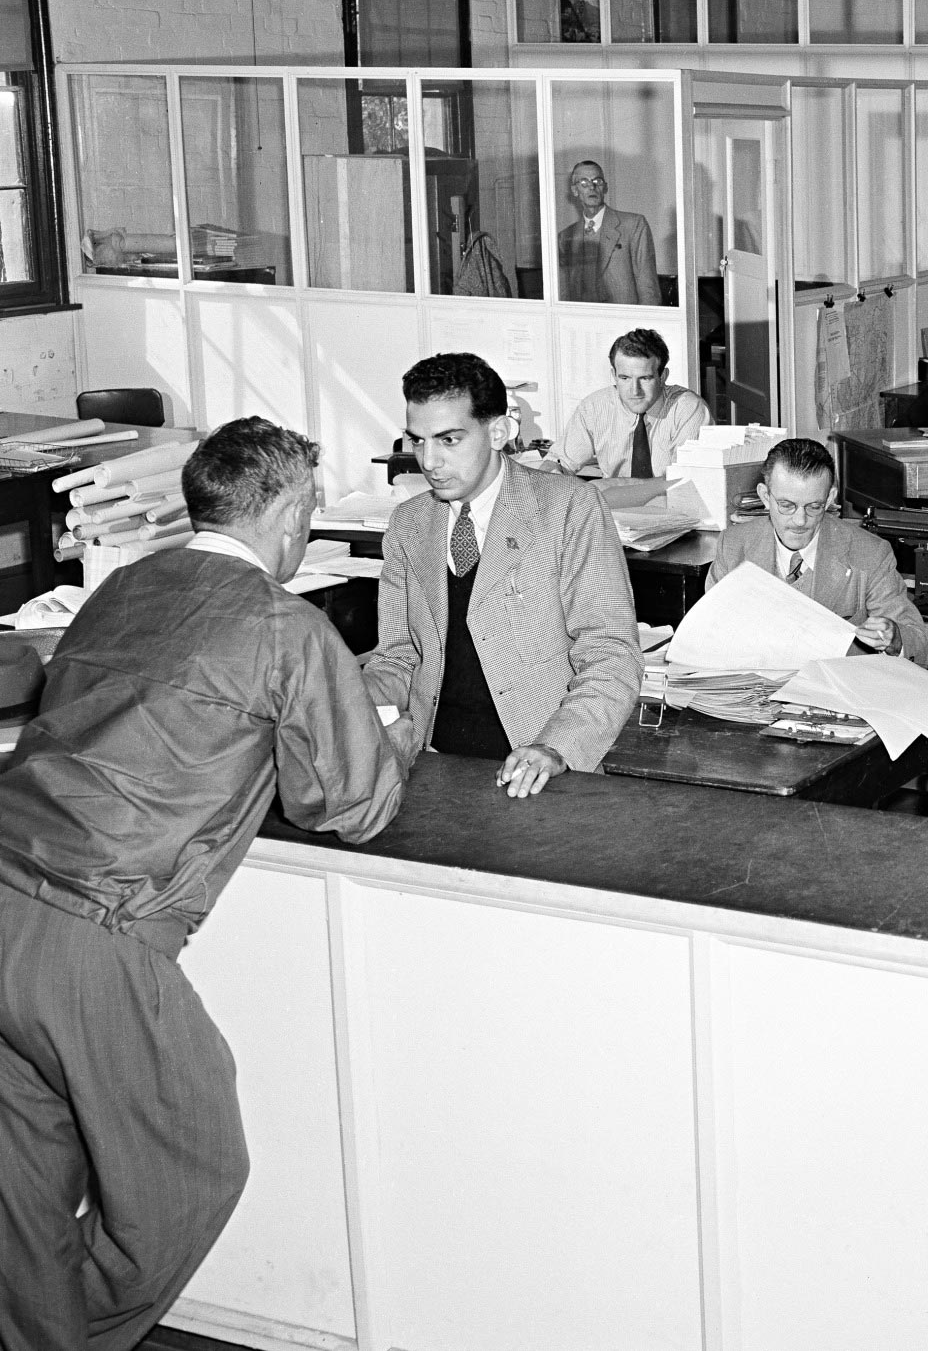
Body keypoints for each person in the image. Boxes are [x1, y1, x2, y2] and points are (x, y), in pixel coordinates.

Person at [0, 417, 415, 1350]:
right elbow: (351, 803)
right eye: (308, 509)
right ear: (286, 511)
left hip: (3, 889)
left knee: (24, 1187)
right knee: (193, 1171)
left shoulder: (122, 587)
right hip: (94, 931)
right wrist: (399, 724)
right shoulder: (286, 626)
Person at [367, 352, 643, 796]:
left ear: (497, 432)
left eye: (449, 440)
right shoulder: (408, 524)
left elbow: (611, 654)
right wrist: (351, 701)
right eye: (417, 441)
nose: (429, 460)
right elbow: (398, 656)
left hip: (541, 770)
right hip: (433, 767)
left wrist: (556, 748)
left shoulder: (568, 507)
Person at [707, 437, 928, 666]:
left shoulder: (870, 554)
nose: (800, 520)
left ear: (829, 499)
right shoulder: (734, 546)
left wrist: (895, 639)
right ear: (765, 497)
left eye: (814, 506)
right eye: (786, 505)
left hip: (837, 693)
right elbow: (707, 635)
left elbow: (922, 646)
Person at [555, 326, 710, 480]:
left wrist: (605, 488)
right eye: (625, 378)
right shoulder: (594, 407)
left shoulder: (688, 409)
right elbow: (559, 462)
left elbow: (685, 480)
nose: (635, 391)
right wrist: (554, 472)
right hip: (613, 502)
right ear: (614, 376)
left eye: (645, 378)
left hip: (670, 502)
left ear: (663, 377)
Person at [558, 159, 661, 305]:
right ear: (574, 190)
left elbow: (648, 286)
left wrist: (646, 324)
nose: (592, 187)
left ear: (605, 187)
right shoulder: (565, 237)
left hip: (624, 321)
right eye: (584, 183)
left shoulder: (634, 225)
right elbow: (564, 293)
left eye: (597, 181)